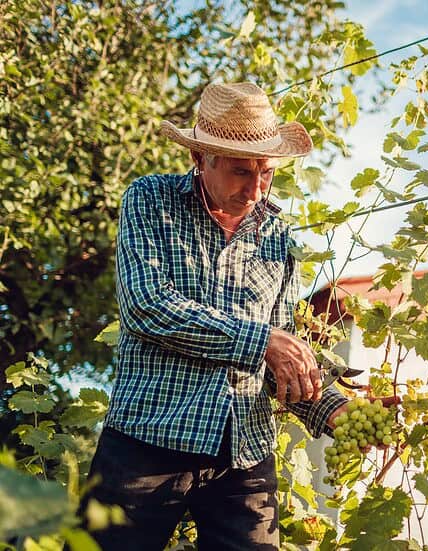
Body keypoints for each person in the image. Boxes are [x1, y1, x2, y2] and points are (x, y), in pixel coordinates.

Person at [85, 82, 359, 550]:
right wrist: (262, 340)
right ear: (201, 158)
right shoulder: (151, 200)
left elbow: (279, 366)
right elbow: (147, 307)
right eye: (240, 172)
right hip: (147, 441)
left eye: (266, 174)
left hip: (243, 453)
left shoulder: (278, 236)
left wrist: (339, 411)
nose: (255, 191)